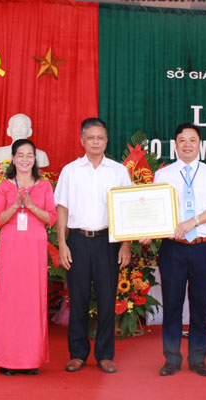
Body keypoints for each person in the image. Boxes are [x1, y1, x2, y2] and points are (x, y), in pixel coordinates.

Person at [142, 123, 206, 377]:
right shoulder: (163, 175)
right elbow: (154, 209)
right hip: (173, 248)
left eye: (192, 140)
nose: (187, 144)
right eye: (182, 140)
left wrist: (193, 221)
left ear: (200, 144)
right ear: (175, 144)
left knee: (201, 304)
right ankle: (171, 358)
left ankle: (198, 358)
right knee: (172, 304)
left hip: (202, 247)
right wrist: (149, 231)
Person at [54, 117, 132, 374]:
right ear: (82, 141)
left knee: (107, 299)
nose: (95, 142)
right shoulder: (70, 171)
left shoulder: (118, 171)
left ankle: (104, 355)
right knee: (78, 299)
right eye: (91, 138)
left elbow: (127, 208)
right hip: (77, 240)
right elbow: (62, 208)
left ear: (106, 141)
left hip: (108, 241)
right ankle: (77, 353)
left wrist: (125, 245)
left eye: (100, 138)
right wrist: (62, 244)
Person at [0, 139, 57, 376]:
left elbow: (51, 218)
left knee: (32, 301)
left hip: (34, 251)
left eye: (29, 155)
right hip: (11, 249)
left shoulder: (44, 186)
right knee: (9, 301)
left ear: (35, 159)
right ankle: (7, 359)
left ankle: (31, 359)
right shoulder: (4, 186)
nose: (25, 159)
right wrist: (15, 206)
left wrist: (30, 206)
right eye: (20, 155)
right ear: (13, 158)